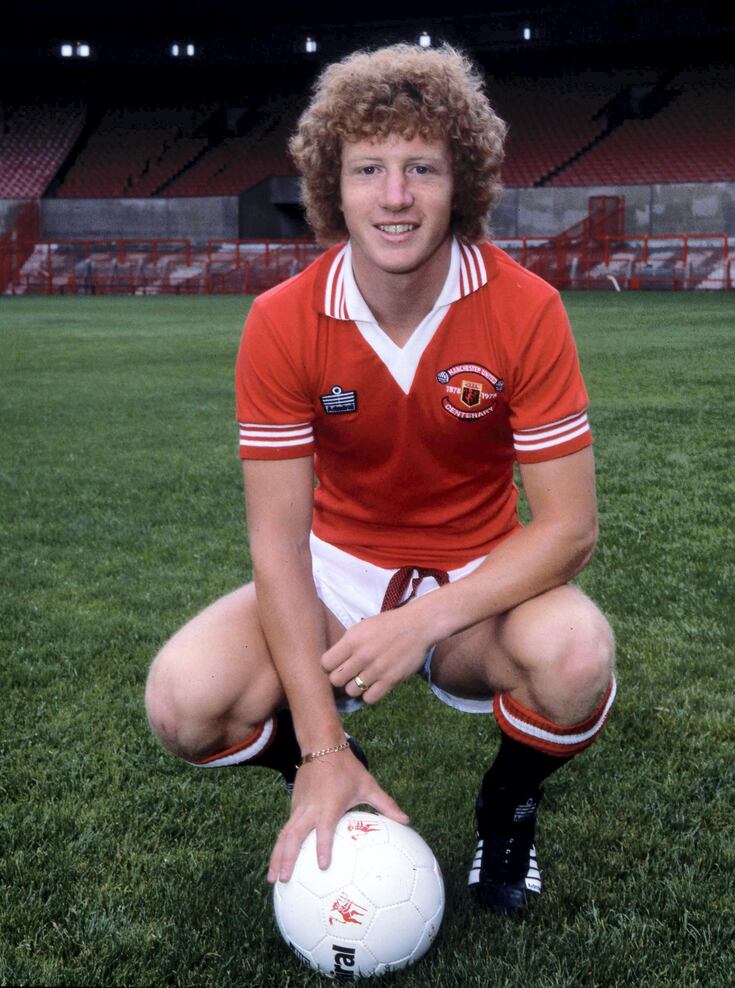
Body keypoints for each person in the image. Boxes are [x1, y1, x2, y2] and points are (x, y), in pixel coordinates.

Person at [145, 43, 616, 916]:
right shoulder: (282, 322)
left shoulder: (525, 308)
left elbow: (569, 529)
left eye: (420, 168)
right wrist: (322, 747)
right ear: (333, 184)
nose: (394, 196)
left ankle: (506, 805)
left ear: (461, 181)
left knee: (577, 655)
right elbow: (277, 543)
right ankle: (337, 770)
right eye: (369, 168)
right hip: (337, 580)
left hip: (478, 584)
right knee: (184, 702)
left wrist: (424, 622)